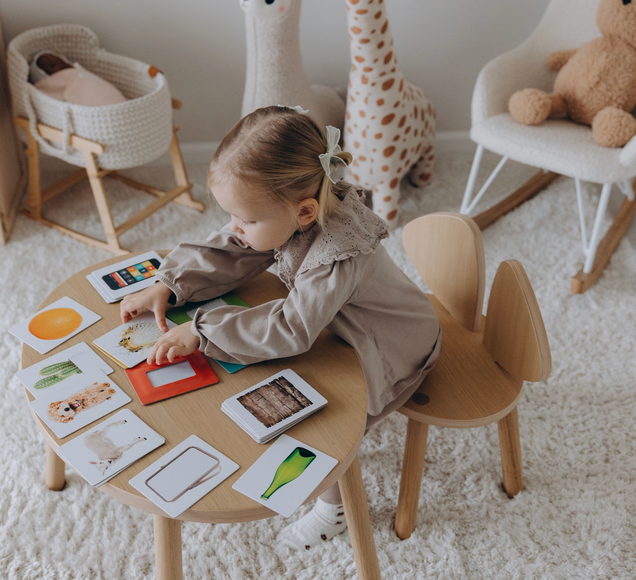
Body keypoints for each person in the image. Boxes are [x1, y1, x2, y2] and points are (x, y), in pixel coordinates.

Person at [120, 105, 442, 550]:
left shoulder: (338, 254)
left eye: (246, 220)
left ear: (305, 213)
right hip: (340, 323)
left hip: (390, 347)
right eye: (232, 214)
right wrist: (169, 284)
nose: (235, 227)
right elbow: (232, 248)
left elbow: (291, 329)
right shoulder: (291, 211)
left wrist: (202, 330)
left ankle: (335, 509)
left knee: (316, 419)